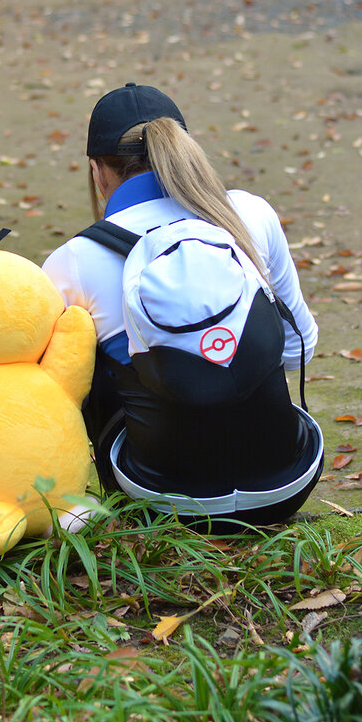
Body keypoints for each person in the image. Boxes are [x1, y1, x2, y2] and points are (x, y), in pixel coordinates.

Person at [42, 83, 323, 530]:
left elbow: (50, 400)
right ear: (182, 149)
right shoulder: (248, 214)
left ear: (98, 171)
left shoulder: (73, 260)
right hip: (286, 485)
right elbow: (297, 349)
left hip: (158, 504)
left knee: (77, 358)